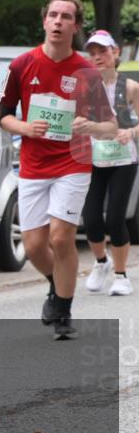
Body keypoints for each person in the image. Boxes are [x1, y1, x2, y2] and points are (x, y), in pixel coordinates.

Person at [0, 0, 116, 341]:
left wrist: (89, 127)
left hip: (73, 162)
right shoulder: (21, 65)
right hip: (34, 164)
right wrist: (24, 128)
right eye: (53, 15)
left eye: (66, 17)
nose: (59, 21)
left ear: (75, 26)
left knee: (61, 237)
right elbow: (1, 116)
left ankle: (63, 310)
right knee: (34, 246)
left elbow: (110, 125)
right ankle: (56, 287)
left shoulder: (87, 71)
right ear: (44, 21)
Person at [81, 30, 136, 296]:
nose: (97, 57)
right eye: (92, 53)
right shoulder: (86, 88)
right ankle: (102, 263)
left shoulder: (130, 87)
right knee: (91, 218)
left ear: (116, 52)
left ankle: (122, 275)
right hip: (94, 159)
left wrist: (131, 132)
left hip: (124, 160)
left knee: (115, 218)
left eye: (102, 51)